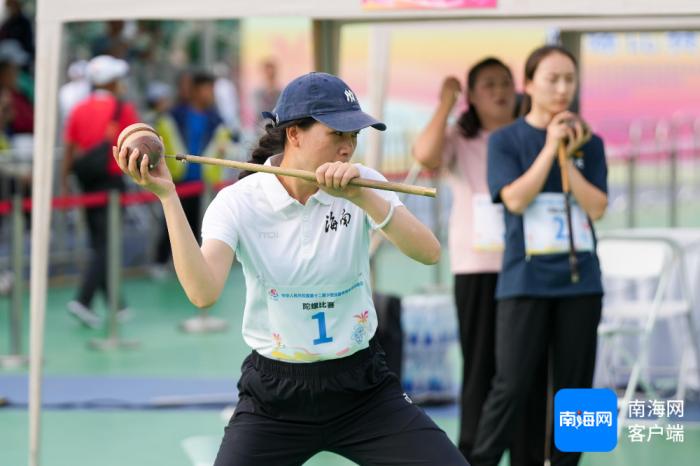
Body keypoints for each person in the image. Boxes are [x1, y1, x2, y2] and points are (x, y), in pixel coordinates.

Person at [115, 71, 469, 466]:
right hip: (274, 397)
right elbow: (203, 292)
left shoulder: (363, 183)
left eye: (354, 136)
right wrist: (167, 197)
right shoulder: (239, 203)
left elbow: (429, 252)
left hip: (362, 389)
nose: (347, 147)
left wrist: (364, 197)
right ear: (294, 134)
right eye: (337, 134)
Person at [470, 45, 608, 466]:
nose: (563, 88)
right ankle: (479, 460)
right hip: (524, 282)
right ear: (528, 85)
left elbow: (597, 207)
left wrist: (568, 159)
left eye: (570, 79)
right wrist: (550, 146)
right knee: (510, 383)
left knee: (578, 388)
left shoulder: (591, 141)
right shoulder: (506, 140)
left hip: (580, 281)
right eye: (552, 79)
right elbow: (513, 198)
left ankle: (569, 463)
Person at [413, 57, 548, 465]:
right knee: (481, 368)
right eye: (488, 84)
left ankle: (530, 451)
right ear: (472, 96)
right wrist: (446, 101)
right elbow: (424, 155)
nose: (500, 90)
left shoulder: (536, 137)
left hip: (529, 267)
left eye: (506, 82)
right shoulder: (460, 138)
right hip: (478, 270)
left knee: (530, 368)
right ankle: (472, 453)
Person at [61, 55, 140, 328]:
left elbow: (69, 150)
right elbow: (136, 143)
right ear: (113, 81)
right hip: (111, 184)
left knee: (99, 243)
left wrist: (64, 181)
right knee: (107, 244)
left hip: (86, 184)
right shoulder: (122, 109)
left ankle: (116, 304)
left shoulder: (78, 109)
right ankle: (83, 300)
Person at [152, 70, 232, 275]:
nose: (211, 94)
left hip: (201, 183)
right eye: (208, 89)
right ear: (195, 90)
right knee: (170, 223)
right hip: (176, 180)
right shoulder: (175, 115)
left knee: (196, 225)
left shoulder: (215, 118)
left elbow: (227, 141)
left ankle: (189, 266)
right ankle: (160, 262)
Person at [252, 58, 281, 126]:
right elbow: (258, 111)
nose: (269, 75)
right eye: (268, 73)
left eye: (272, 74)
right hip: (262, 126)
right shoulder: (258, 92)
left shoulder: (280, 91)